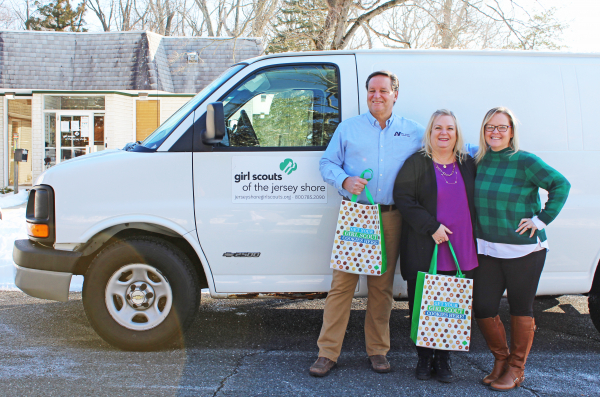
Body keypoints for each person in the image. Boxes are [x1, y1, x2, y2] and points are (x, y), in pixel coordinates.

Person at [310, 71, 425, 377]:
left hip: (391, 217)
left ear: (395, 95)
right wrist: (344, 179)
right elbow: (326, 163)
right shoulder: (349, 129)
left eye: (383, 91)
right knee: (341, 287)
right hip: (355, 216)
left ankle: (377, 351)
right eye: (372, 90)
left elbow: (445, 145)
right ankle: (327, 352)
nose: (377, 96)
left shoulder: (413, 132)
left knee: (382, 287)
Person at [472, 107, 570, 391]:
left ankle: (516, 369)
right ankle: (500, 361)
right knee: (484, 307)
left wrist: (541, 219)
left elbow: (560, 184)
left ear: (512, 132)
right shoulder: (479, 160)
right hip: (487, 248)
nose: (495, 132)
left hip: (525, 251)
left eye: (502, 127)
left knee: (520, 309)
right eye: (490, 126)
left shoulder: (525, 160)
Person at [393, 109, 478, 383]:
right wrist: (432, 228)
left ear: (457, 133)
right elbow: (403, 198)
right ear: (429, 133)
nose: (444, 133)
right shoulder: (417, 163)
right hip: (425, 245)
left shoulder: (467, 163)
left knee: (450, 306)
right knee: (424, 304)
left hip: (460, 247)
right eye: (438, 128)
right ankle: (423, 358)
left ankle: (443, 360)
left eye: (450, 129)